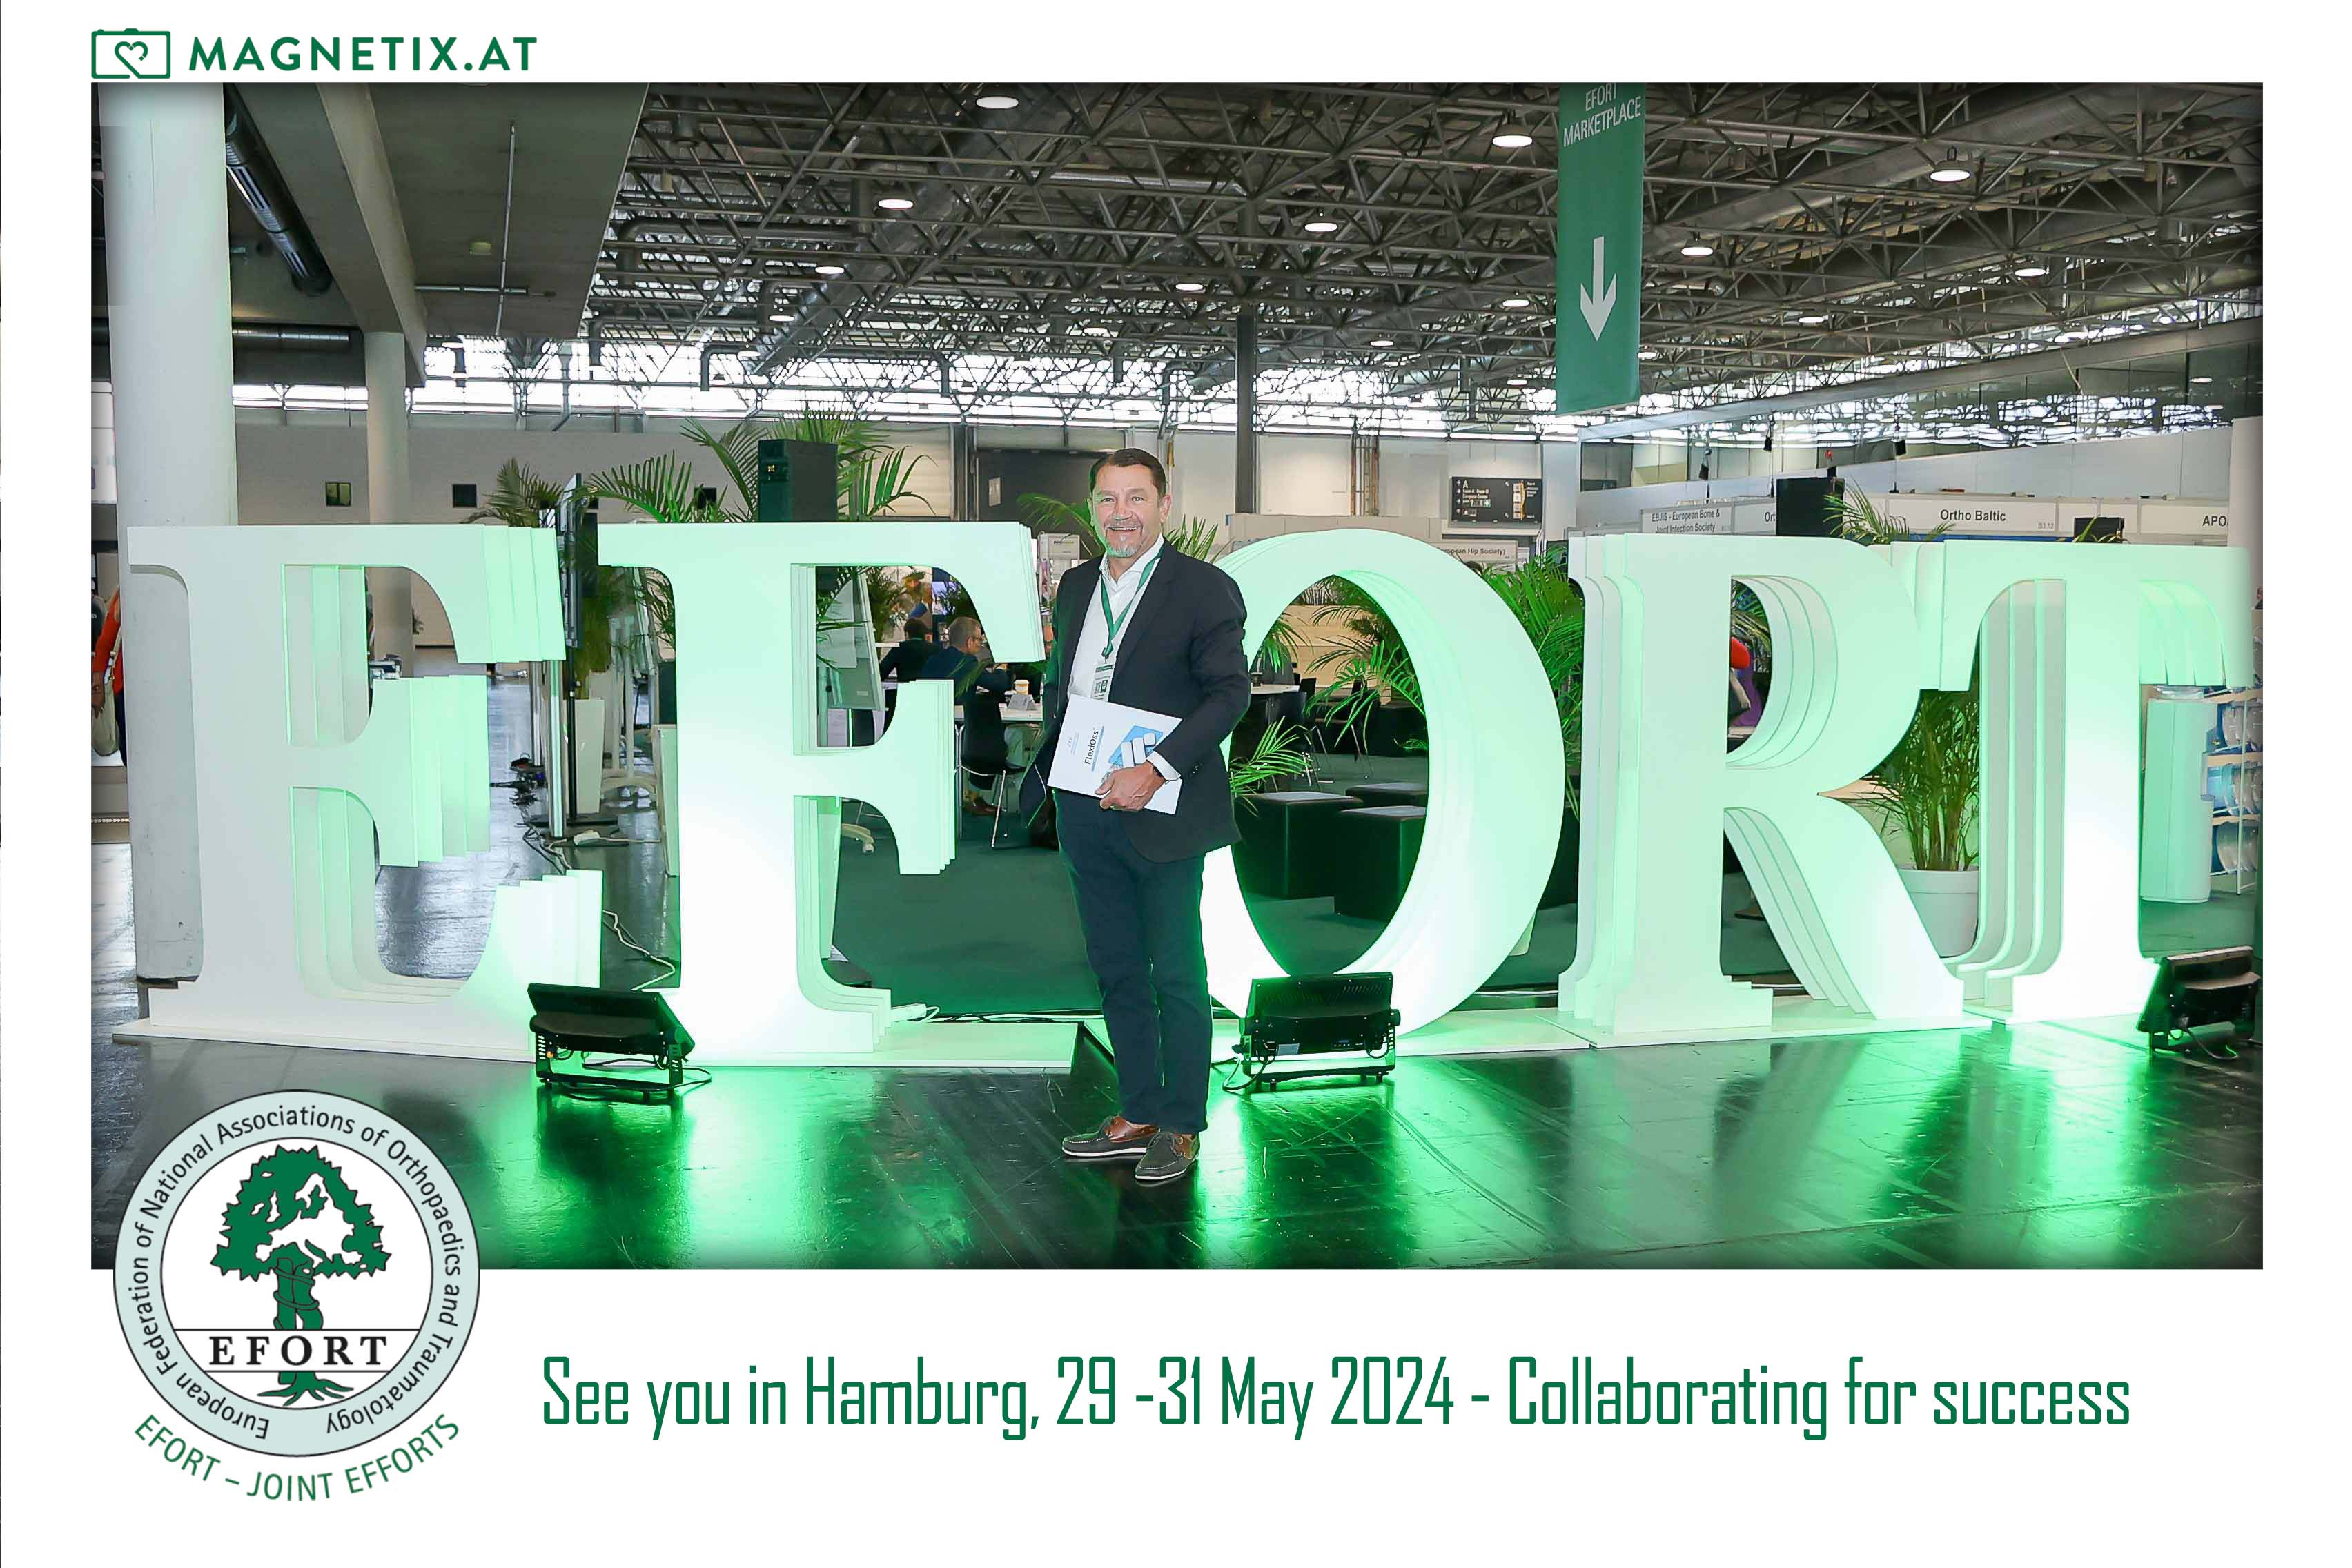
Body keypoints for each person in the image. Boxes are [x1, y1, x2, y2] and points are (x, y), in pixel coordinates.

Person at [1023, 448, 1248, 1184]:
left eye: (1136, 498)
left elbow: (1228, 695)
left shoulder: (1205, 588)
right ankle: (1140, 1109)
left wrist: (1155, 769)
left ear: (1164, 506)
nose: (1122, 514)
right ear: (1093, 509)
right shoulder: (1076, 586)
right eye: (1108, 500)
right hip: (1084, 805)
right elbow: (1068, 684)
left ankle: (1181, 1123)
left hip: (1164, 808)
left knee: (1176, 972)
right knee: (1116, 967)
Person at [922, 618, 1015, 813]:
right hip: (964, 731)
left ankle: (971, 797)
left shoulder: (933, 660)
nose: (980, 644)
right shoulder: (969, 662)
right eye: (979, 640)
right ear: (970, 641)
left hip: (932, 728)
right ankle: (972, 796)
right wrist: (1001, 668)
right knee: (994, 734)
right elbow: (998, 684)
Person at [93, 589, 128, 759]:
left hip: (126, 687)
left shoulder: (120, 602)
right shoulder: (121, 602)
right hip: (125, 688)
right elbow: (104, 646)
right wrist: (97, 688)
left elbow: (103, 646)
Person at [876, 614, 938, 683]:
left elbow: (881, 673)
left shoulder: (899, 648)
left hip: (906, 688)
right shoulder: (934, 649)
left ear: (907, 634)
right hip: (931, 688)